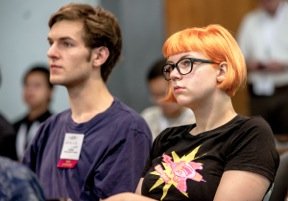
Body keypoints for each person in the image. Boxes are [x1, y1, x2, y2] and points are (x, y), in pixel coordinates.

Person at [103, 24, 279, 201]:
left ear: (221, 71)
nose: (173, 75)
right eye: (170, 67)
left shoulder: (249, 133)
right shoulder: (167, 138)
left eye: (187, 63)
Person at [22, 3, 152, 201]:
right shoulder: (48, 129)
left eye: (66, 43)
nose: (51, 53)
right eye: (51, 43)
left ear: (99, 56)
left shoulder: (128, 129)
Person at [237, 0, 288, 142]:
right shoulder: (250, 20)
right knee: (260, 139)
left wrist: (284, 64)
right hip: (258, 93)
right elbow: (239, 56)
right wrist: (250, 64)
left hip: (284, 90)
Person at [141, 58, 195, 140]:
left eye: (164, 93)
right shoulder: (147, 118)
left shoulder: (196, 119)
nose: (161, 101)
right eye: (155, 95)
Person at [13, 65, 54, 160]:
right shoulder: (14, 127)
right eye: (27, 85)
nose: (30, 90)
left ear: (50, 91)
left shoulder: (56, 126)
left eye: (37, 85)